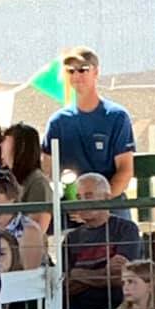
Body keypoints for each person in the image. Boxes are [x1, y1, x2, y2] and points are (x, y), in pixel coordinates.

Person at [61, 172, 145, 309]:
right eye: (79, 197)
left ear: (107, 198)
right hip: (78, 308)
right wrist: (104, 272)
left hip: (115, 305)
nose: (82, 202)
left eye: (89, 196)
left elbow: (120, 277)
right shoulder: (71, 238)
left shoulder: (125, 229)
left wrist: (79, 274)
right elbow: (65, 285)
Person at [41, 48, 135, 197]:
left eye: (83, 70)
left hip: (110, 202)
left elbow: (125, 170)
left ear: (96, 72)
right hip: (70, 204)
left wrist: (102, 202)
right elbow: (47, 171)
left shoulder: (117, 117)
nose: (76, 75)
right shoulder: (58, 122)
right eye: (70, 71)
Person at [0, 122, 54, 231]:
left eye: (5, 140)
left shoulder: (38, 182)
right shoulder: (7, 178)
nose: (0, 145)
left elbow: (38, 226)